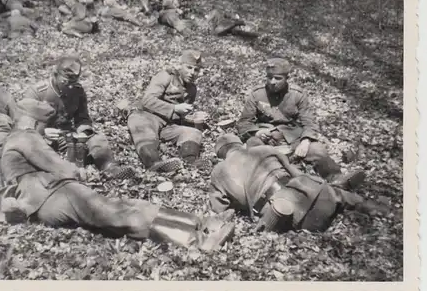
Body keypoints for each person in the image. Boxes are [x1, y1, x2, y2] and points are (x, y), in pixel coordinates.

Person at [0, 98, 236, 252]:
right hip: (52, 194)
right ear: (34, 122)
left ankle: (204, 223)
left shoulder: (13, 141)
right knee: (119, 214)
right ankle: (198, 239)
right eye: (44, 125)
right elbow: (62, 168)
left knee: (128, 206)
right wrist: (79, 172)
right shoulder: (26, 137)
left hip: (48, 197)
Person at [209, 134, 390, 233]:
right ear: (240, 145)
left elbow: (219, 208)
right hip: (312, 195)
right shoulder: (264, 149)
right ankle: (384, 211)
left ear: (221, 155)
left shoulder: (219, 171)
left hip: (284, 214)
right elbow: (296, 173)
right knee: (343, 198)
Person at [236, 58, 365, 189]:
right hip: (265, 138)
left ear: (287, 78)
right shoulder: (257, 94)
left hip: (291, 137)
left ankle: (337, 180)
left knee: (317, 150)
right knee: (253, 148)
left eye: (277, 78)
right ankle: (262, 184)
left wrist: (306, 141)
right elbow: (244, 122)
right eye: (269, 77)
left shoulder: (297, 95)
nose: (272, 82)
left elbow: (308, 121)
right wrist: (257, 132)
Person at [23, 55, 134, 180]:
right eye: (66, 80)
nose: (70, 86)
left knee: (97, 139)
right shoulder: (37, 92)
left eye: (74, 81)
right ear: (55, 74)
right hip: (42, 140)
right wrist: (43, 133)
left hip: (67, 138)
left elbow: (82, 118)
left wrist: (83, 132)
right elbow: (23, 125)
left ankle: (110, 168)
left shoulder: (77, 91)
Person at [127, 50, 205, 173]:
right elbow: (147, 100)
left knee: (193, 133)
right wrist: (173, 108)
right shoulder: (166, 76)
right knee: (146, 134)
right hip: (146, 115)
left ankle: (190, 161)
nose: (192, 73)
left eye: (196, 70)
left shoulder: (192, 89)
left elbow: (180, 116)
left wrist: (192, 117)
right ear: (181, 66)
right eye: (189, 67)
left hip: (167, 125)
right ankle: (154, 164)